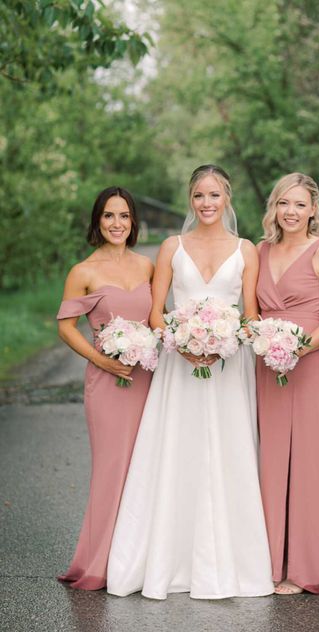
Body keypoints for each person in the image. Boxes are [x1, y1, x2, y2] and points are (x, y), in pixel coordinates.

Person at [107, 165, 274, 600]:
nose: (206, 203)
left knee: (227, 450)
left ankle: (232, 562)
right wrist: (180, 342)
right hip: (178, 367)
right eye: (199, 195)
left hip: (226, 367)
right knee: (176, 450)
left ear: (227, 198)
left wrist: (224, 341)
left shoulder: (245, 251)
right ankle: (167, 559)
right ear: (190, 199)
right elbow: (157, 311)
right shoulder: (171, 247)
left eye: (214, 195)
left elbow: (250, 313)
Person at [56, 186, 154, 590]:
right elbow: (65, 327)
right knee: (112, 470)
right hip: (108, 381)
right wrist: (101, 359)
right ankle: (97, 561)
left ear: (134, 222)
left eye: (125, 216)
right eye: (109, 216)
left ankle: (138, 560)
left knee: (146, 467)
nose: (117, 224)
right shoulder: (84, 271)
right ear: (98, 221)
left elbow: (160, 318)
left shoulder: (147, 266)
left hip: (148, 378)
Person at [256, 173, 319, 595]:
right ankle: (268, 562)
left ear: (313, 210)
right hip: (266, 368)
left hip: (309, 366)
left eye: (299, 204)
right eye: (283, 204)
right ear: (273, 208)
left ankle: (305, 569)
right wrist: (262, 339)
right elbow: (251, 311)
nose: (290, 212)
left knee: (309, 464)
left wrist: (299, 348)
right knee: (270, 461)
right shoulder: (259, 251)